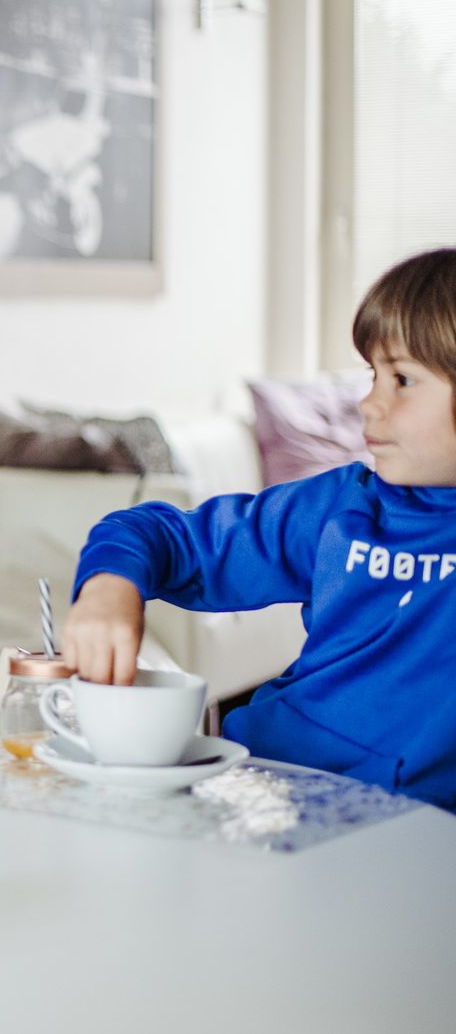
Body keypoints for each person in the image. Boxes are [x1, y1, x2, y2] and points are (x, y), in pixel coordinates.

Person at [62, 248, 456, 809]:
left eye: (402, 379)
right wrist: (108, 589)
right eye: (373, 374)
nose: (368, 404)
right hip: (268, 784)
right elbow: (161, 535)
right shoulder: (341, 510)